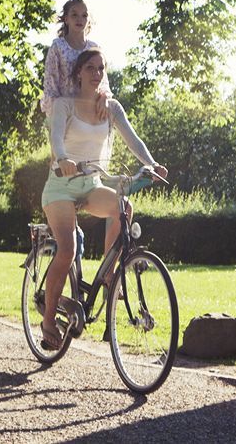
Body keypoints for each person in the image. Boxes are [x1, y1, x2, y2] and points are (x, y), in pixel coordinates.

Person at [39, 47, 167, 350]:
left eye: (102, 68)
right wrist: (64, 159)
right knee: (67, 249)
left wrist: (151, 164)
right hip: (61, 186)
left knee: (123, 207)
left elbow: (132, 138)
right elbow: (57, 139)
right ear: (79, 73)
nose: (97, 73)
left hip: (91, 184)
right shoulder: (64, 105)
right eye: (91, 68)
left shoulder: (109, 107)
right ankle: (47, 322)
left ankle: (110, 276)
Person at [40, 0, 110, 120]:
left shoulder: (94, 47)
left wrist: (104, 98)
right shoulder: (58, 47)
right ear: (66, 19)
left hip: (90, 113)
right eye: (74, 15)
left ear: (89, 20)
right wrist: (60, 114)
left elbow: (103, 83)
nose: (79, 19)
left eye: (84, 15)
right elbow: (51, 86)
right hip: (64, 114)